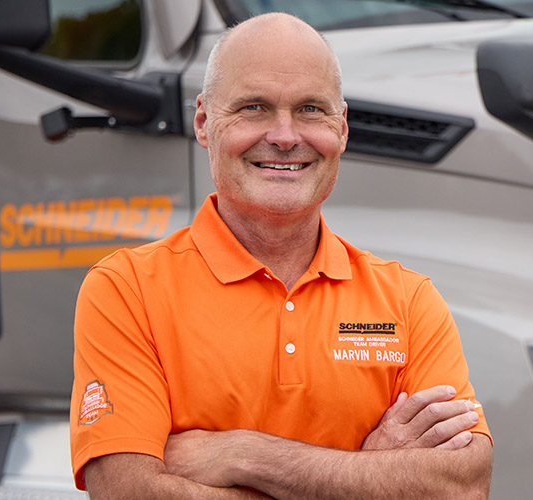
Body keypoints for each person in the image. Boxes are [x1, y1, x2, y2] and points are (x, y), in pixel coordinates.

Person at [70, 12, 493, 499]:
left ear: (343, 128)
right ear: (205, 123)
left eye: (312, 109)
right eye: (254, 107)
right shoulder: (127, 289)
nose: (286, 135)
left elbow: (462, 485)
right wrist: (370, 475)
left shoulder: (408, 300)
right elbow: (129, 492)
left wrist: (242, 454)